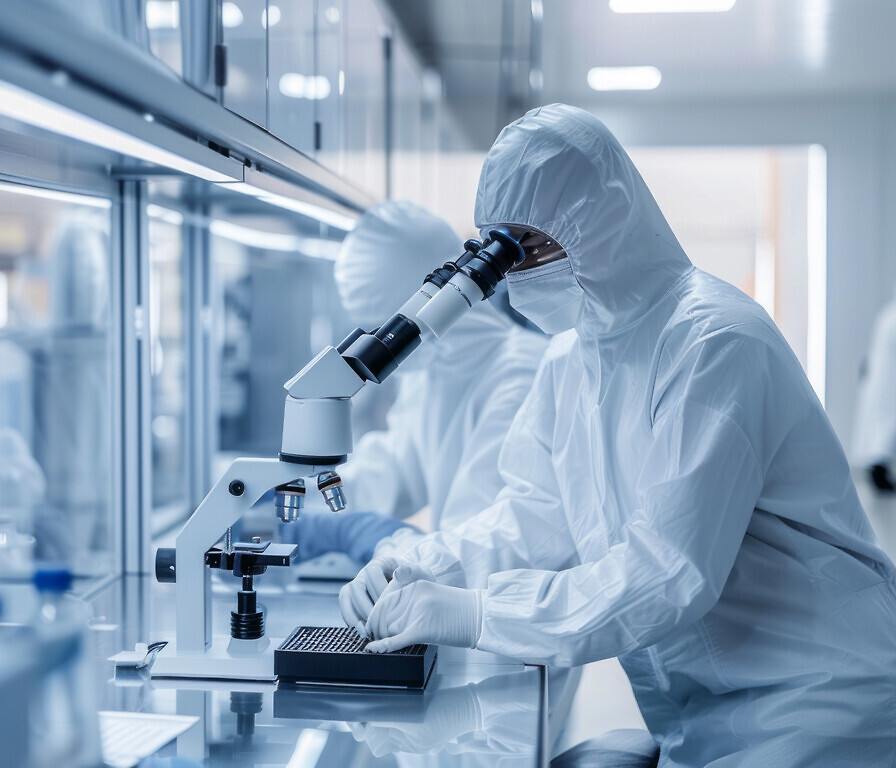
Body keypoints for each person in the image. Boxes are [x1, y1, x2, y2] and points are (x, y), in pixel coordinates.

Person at [341, 104, 896, 766]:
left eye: (530, 246)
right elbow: (532, 518)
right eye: (499, 251)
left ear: (600, 225)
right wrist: (422, 565)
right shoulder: (571, 361)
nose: (513, 275)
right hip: (703, 710)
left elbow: (668, 575)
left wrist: (474, 611)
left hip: (813, 706)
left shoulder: (714, 343)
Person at [278, 200, 549, 564]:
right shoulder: (432, 372)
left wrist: (383, 539)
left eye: (383, 325)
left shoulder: (522, 377)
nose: (377, 341)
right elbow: (395, 469)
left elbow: (480, 550)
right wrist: (281, 488)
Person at [852, 289, 896, 493]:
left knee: (881, 427)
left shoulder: (886, 314)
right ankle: (879, 471)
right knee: (885, 427)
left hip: (882, 381)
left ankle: (879, 470)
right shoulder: (891, 315)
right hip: (887, 383)